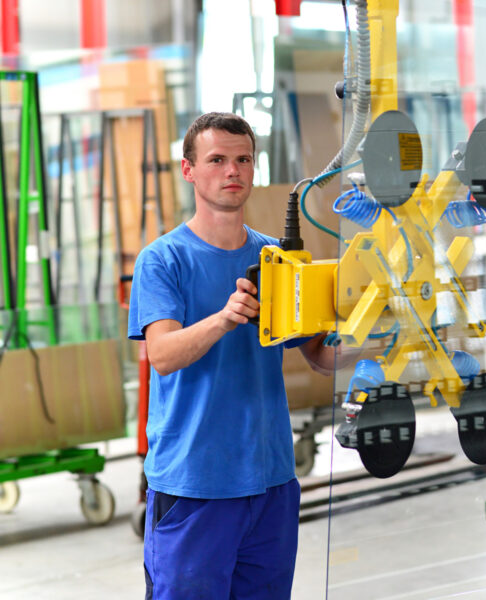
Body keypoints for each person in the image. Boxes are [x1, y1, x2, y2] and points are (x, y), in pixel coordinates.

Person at [128, 111, 337, 600]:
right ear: (189, 170)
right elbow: (161, 354)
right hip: (195, 486)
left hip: (271, 483)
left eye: (243, 159)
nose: (232, 171)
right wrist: (225, 317)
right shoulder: (162, 260)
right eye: (217, 159)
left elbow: (318, 355)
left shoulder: (277, 259)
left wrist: (372, 336)